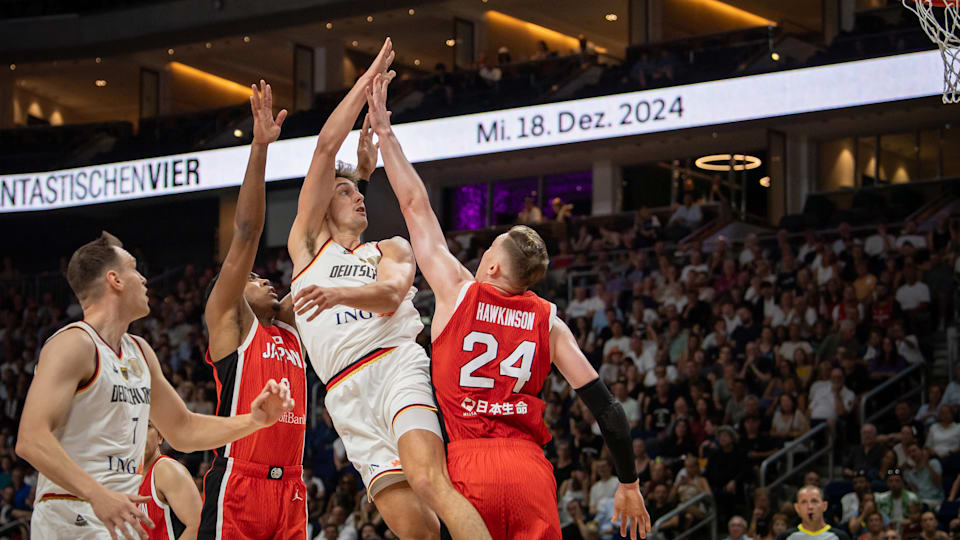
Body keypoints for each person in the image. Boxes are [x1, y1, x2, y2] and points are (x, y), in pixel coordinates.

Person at [364, 68, 650, 539]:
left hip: (467, 467)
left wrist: (386, 133)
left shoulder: (457, 292)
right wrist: (629, 483)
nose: (482, 253)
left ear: (495, 268)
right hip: (528, 472)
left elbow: (415, 205)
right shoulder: (549, 321)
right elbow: (608, 408)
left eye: (490, 247)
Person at [286, 39, 490, 540]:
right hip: (343, 395)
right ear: (322, 208)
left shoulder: (391, 248)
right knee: (416, 531)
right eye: (346, 192)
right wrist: (367, 77)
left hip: (395, 366)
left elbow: (391, 296)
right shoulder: (308, 245)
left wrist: (338, 297)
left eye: (360, 191)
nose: (358, 197)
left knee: (430, 481)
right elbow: (325, 148)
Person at [17, 232, 293, 540]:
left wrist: (254, 421)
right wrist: (97, 494)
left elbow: (184, 431)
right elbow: (31, 439)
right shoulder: (74, 343)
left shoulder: (140, 351)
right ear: (114, 280)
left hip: (122, 512)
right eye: (134, 268)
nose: (144, 278)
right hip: (73, 511)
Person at [199, 80, 310, 540]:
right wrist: (260, 148)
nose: (264, 279)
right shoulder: (231, 321)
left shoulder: (288, 326)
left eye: (266, 277)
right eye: (253, 278)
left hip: (292, 490)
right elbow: (246, 233)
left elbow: (316, 251)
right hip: (241, 483)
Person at [138, 422, 201, 540]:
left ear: (160, 436)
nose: (139, 433)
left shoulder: (166, 470)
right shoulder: (126, 477)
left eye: (147, 426)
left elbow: (197, 526)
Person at [776, 485, 851, 540]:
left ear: (824, 506)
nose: (810, 507)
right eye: (804, 502)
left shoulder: (840, 537)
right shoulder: (785, 537)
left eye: (814, 501)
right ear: (797, 508)